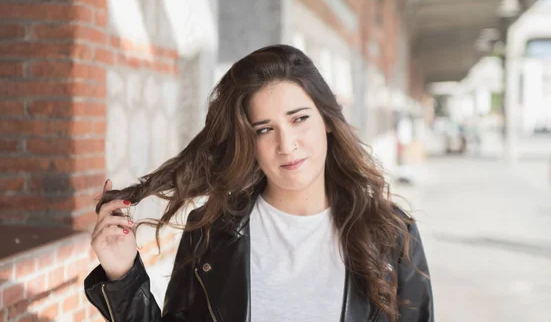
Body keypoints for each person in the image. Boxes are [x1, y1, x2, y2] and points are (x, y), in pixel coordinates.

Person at [84, 45, 434, 322]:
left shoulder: (390, 234)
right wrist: (123, 277)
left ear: (327, 120)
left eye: (299, 119)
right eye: (264, 129)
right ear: (248, 141)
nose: (287, 144)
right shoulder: (211, 233)